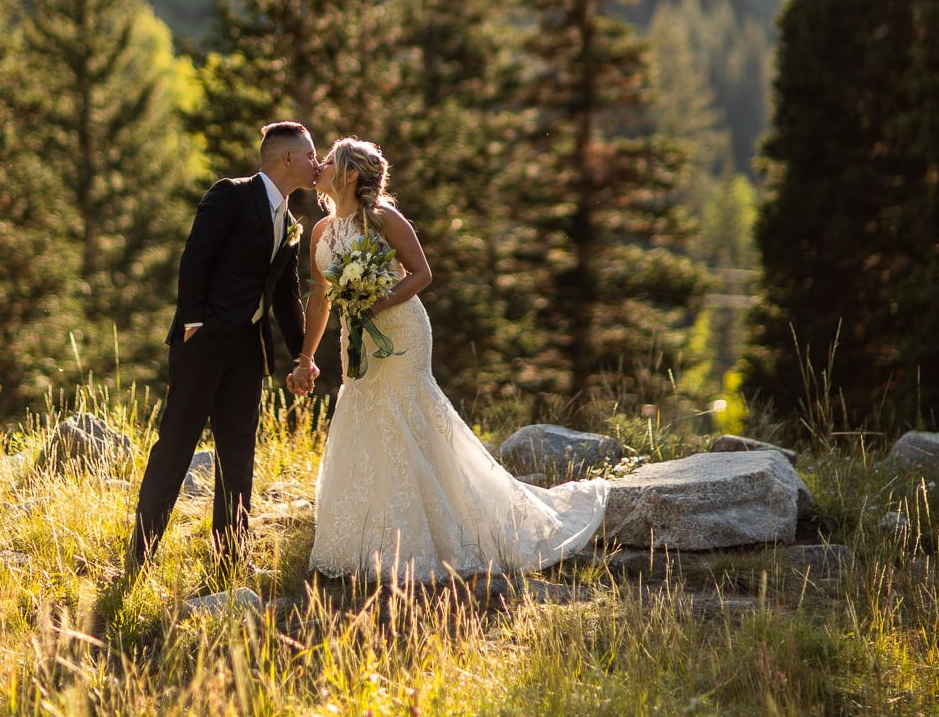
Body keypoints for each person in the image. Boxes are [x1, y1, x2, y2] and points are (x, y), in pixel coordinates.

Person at [289, 137, 609, 582]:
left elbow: (422, 273)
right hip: (355, 337)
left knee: (408, 413)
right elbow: (320, 298)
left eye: (328, 161)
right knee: (363, 414)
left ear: (350, 174)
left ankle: (441, 530)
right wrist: (305, 357)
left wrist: (378, 302)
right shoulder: (322, 233)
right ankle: (365, 536)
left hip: (400, 329)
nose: (319, 166)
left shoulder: (384, 220)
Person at [124, 121, 320, 579]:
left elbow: (287, 295)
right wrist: (193, 323)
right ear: (287, 158)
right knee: (175, 446)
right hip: (203, 344)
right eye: (311, 156)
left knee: (237, 453)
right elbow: (196, 257)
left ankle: (230, 561)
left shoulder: (290, 222)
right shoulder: (231, 194)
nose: (318, 164)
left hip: (247, 353)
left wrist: (301, 355)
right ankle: (139, 556)